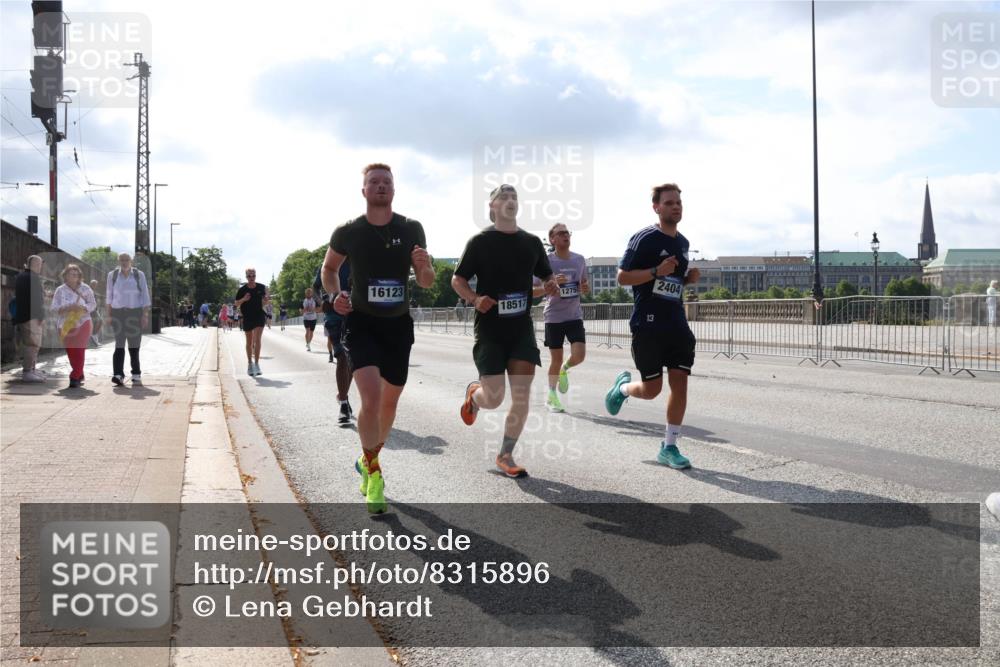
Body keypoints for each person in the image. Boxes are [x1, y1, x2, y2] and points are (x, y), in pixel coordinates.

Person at [322, 163, 435, 513]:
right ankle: (374, 474)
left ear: (394, 190)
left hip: (398, 326)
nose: (381, 186)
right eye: (374, 182)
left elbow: (428, 281)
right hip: (362, 323)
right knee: (370, 399)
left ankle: (367, 458)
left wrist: (425, 264)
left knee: (389, 403)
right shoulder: (348, 231)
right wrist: (335, 295)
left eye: (387, 181)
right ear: (364, 191)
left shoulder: (411, 228)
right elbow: (328, 269)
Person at [453, 184, 559, 478]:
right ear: (492, 207)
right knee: (495, 397)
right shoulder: (480, 241)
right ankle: (475, 395)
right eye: (504, 197)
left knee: (521, 396)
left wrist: (551, 284)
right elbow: (457, 279)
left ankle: (506, 454)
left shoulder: (531, 242)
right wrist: (474, 299)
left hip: (521, 328)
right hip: (490, 329)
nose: (510, 200)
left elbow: (547, 275)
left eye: (514, 197)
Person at [604, 183, 701, 469]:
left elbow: (672, 281)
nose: (676, 206)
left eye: (679, 202)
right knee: (652, 389)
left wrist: (687, 279)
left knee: (680, 383)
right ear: (656, 207)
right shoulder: (644, 238)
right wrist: (656, 271)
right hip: (648, 323)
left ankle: (669, 447)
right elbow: (622, 278)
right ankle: (621, 390)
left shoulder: (683, 243)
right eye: (669, 202)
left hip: (676, 323)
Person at [532, 222, 590, 412]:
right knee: (555, 359)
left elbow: (584, 285)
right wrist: (551, 285)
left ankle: (565, 368)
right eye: (561, 233)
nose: (566, 235)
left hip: (574, 315)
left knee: (579, 356)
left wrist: (585, 288)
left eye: (568, 233)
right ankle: (551, 396)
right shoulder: (545, 262)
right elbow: (532, 291)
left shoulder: (580, 260)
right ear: (552, 239)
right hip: (554, 317)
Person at [315, 263, 354, 424]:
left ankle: (342, 395)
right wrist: (321, 301)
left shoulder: (361, 257)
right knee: (342, 357)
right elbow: (315, 287)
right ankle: (344, 405)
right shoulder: (329, 263)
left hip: (354, 316)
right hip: (333, 316)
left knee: (352, 360)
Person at [106, 253, 151, 387]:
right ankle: (118, 374)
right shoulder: (112, 275)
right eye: (122, 260)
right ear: (118, 261)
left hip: (134, 313)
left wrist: (145, 315)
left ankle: (136, 373)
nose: (124, 262)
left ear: (131, 261)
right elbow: (109, 296)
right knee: (119, 344)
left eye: (127, 260)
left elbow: (145, 296)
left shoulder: (139, 275)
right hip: (117, 313)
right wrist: (108, 315)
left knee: (134, 345)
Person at [51, 264, 97, 388]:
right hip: (65, 324)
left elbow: (93, 304)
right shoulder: (60, 290)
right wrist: (67, 307)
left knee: (79, 349)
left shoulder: (86, 288)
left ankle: (74, 376)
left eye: (76, 275)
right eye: (71, 274)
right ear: (65, 275)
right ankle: (79, 372)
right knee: (71, 351)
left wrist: (83, 307)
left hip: (83, 322)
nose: (74, 276)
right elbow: (54, 307)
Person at [13, 255, 46, 383]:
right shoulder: (32, 277)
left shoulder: (22, 276)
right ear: (30, 264)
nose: (39, 267)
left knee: (32, 344)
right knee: (32, 344)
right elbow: (36, 299)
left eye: (40, 264)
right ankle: (27, 372)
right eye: (37, 264)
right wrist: (40, 316)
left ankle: (31, 370)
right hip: (31, 317)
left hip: (24, 315)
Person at [235, 267, 269, 376]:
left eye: (253, 275)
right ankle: (250, 364)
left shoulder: (261, 287)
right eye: (249, 276)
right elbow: (236, 304)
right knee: (249, 342)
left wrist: (266, 300)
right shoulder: (242, 290)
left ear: (255, 276)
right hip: (248, 317)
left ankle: (257, 364)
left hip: (259, 315)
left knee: (257, 339)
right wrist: (244, 299)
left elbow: (265, 301)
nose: (251, 278)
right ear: (246, 277)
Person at [88, 279, 104, 347]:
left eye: (95, 285)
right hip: (91, 310)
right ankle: (94, 337)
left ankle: (94, 338)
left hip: (95, 309)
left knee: (98, 322)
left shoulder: (92, 291)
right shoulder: (88, 290)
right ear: (91, 284)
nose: (95, 286)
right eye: (94, 284)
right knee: (99, 321)